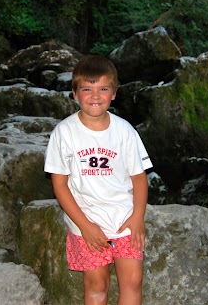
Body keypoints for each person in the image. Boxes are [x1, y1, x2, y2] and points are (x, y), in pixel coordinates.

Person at [44, 55, 153, 305]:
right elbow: (59, 185)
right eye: (87, 89)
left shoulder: (125, 130)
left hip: (124, 218)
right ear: (74, 94)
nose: (95, 96)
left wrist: (138, 217)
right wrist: (84, 225)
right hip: (87, 221)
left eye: (103, 89)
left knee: (133, 280)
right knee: (97, 285)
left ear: (114, 93)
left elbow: (138, 176)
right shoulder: (64, 133)